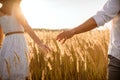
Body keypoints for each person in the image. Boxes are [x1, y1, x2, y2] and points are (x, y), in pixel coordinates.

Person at [56, 0, 120, 80]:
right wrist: (73, 31)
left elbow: (101, 17)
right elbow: (101, 17)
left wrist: (73, 31)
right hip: (117, 57)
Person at [0, 0, 50, 80]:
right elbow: (26, 26)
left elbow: (0, 34)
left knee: (7, 72)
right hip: (18, 42)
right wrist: (40, 44)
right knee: (19, 72)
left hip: (6, 43)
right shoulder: (16, 7)